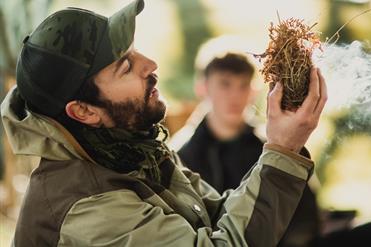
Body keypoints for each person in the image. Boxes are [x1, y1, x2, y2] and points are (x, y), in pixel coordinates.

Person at [1, 0, 327, 246]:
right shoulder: (88, 205)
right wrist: (283, 149)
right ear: (84, 112)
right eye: (126, 66)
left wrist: (281, 145)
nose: (150, 64)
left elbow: (214, 215)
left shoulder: (131, 148)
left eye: (134, 51)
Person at [175, 52, 264, 193]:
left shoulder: (270, 150)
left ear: (254, 91)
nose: (236, 95)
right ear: (202, 87)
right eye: (225, 84)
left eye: (244, 85)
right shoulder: (181, 156)